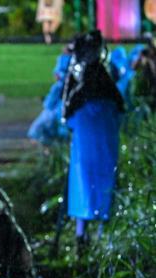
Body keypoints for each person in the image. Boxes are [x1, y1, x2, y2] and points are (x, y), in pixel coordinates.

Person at [62, 31, 124, 249]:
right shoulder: (108, 87)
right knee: (104, 180)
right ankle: (101, 234)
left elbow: (66, 115)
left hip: (85, 137)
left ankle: (82, 233)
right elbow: (120, 109)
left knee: (83, 182)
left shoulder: (80, 90)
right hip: (105, 138)